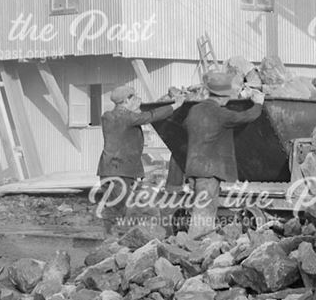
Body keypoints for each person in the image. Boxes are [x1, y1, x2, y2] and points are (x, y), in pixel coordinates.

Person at [184, 71, 264, 237]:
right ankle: (195, 245)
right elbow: (246, 117)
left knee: (203, 207)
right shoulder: (220, 114)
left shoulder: (194, 110)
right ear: (224, 96)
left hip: (192, 167)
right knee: (204, 210)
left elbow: (185, 126)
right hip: (208, 170)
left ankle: (200, 244)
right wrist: (258, 104)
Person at [97, 86, 182, 233]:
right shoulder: (127, 117)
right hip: (120, 170)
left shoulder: (108, 116)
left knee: (113, 206)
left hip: (108, 170)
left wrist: (134, 109)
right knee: (124, 208)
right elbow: (151, 116)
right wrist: (175, 105)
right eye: (134, 97)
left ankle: (110, 238)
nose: (137, 99)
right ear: (126, 101)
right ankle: (120, 240)